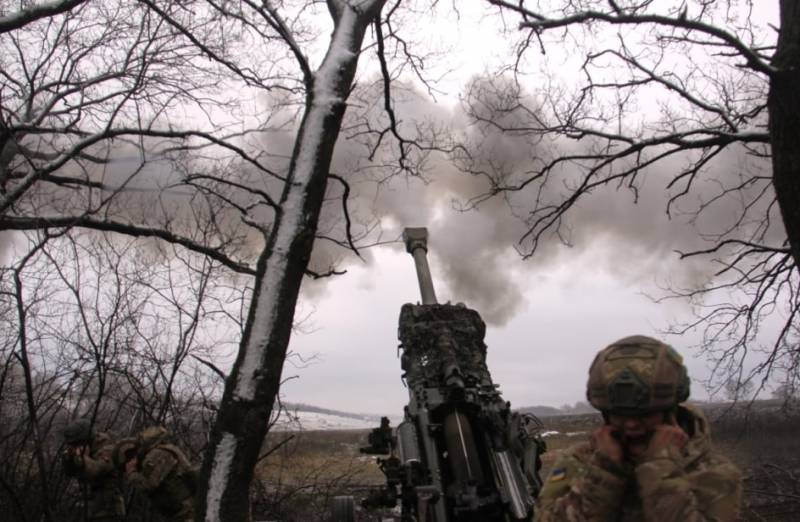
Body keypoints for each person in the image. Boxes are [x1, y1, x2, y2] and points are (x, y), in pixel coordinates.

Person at [534, 335, 742, 522]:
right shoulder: (578, 462)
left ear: (671, 411)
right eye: (620, 416)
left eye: (645, 415)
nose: (631, 425)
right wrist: (604, 472)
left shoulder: (712, 472)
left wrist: (661, 469)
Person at [114, 426, 197, 522]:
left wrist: (131, 473)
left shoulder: (156, 454)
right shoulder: (159, 451)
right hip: (180, 511)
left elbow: (148, 484)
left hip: (187, 511)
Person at [62, 418, 125, 522]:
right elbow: (69, 472)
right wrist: (69, 458)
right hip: (90, 508)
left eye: (76, 443)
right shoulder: (85, 449)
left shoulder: (108, 449)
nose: (74, 446)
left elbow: (96, 471)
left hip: (108, 510)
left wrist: (81, 457)